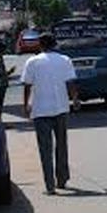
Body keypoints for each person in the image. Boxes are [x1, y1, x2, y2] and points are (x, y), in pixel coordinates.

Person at [21, 33, 79, 195]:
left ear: (40, 45)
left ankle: (50, 185)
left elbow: (27, 85)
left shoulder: (32, 62)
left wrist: (26, 106)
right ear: (55, 44)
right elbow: (71, 83)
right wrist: (75, 99)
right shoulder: (65, 60)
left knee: (45, 149)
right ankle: (62, 179)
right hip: (60, 108)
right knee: (61, 145)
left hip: (40, 110)